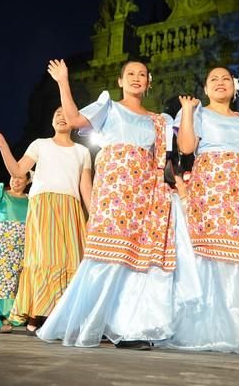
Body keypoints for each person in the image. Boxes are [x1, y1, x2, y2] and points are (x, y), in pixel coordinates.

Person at [37, 59, 198, 349]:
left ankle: (130, 328)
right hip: (114, 190)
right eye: (130, 74)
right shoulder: (108, 106)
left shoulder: (159, 120)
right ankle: (87, 322)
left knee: (139, 261)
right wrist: (63, 81)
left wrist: (186, 112)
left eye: (142, 75)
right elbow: (73, 120)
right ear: (120, 81)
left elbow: (184, 149)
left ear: (149, 83)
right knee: (108, 255)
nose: (137, 78)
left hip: (147, 193)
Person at [160, 67, 239, 355]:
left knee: (236, 259)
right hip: (209, 191)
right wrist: (187, 111)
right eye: (213, 79)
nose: (220, 83)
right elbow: (187, 148)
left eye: (225, 78)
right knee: (209, 257)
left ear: (235, 87)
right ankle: (207, 330)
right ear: (205, 88)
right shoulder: (197, 113)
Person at [0, 107, 92, 332]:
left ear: (74, 120)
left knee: (71, 260)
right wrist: (3, 146)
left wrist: (95, 217)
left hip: (70, 208)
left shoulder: (82, 152)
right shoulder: (40, 144)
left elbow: (86, 189)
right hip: (43, 206)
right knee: (44, 258)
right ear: (51, 121)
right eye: (56, 113)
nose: (61, 117)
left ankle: (60, 313)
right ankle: (37, 312)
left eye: (65, 113)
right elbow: (18, 170)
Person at [0, 172, 31, 333]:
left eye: (20, 178)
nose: (16, 181)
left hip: (23, 242)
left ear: (28, 181)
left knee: (16, 280)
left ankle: (7, 316)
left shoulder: (31, 199)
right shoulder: (1, 193)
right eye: (13, 176)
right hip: (4, 240)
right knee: (3, 279)